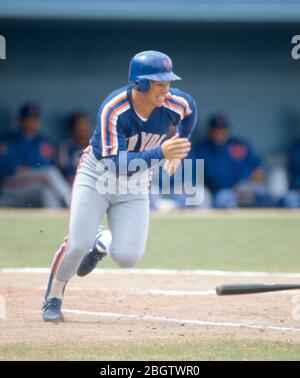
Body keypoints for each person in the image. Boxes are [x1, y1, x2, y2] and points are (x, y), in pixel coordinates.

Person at [42, 50, 197, 322]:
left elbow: (190, 111)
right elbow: (116, 164)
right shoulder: (115, 109)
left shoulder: (175, 103)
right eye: (159, 83)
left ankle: (101, 240)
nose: (166, 88)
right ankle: (53, 297)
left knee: (128, 257)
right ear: (140, 83)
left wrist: (181, 145)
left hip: (136, 183)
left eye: (168, 82)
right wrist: (163, 152)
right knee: (78, 244)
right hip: (98, 175)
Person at [0, 102, 71, 208]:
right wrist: (40, 173)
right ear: (21, 120)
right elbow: (14, 170)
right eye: (28, 118)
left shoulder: (45, 142)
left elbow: (49, 165)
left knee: (47, 192)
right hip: (11, 187)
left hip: (36, 186)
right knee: (49, 172)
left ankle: (53, 222)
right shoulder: (9, 141)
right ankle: (73, 203)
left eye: (35, 118)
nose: (32, 121)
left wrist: (38, 174)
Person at [191, 113, 268, 208]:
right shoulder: (201, 149)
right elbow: (194, 177)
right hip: (218, 193)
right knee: (225, 198)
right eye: (216, 129)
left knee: (263, 194)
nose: (220, 133)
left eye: (223, 129)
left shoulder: (238, 145)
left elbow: (260, 165)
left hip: (243, 187)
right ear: (209, 131)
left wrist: (252, 183)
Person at [57, 111, 92, 185]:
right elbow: (66, 172)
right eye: (79, 125)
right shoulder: (65, 147)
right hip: (72, 184)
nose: (83, 128)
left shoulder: (97, 146)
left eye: (85, 124)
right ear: (73, 129)